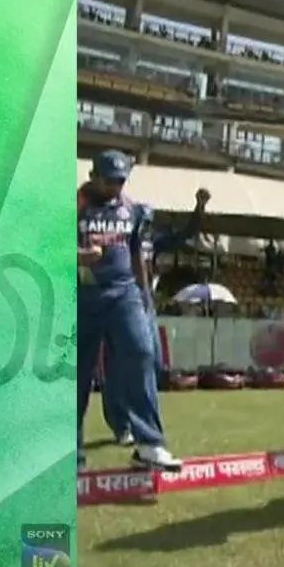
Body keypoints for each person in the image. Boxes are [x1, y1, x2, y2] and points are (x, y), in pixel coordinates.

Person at [76, 150, 183, 472]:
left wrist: (144, 295)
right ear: (94, 176)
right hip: (82, 297)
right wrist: (79, 256)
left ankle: (149, 444)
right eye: (110, 181)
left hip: (125, 293)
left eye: (121, 181)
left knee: (141, 353)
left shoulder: (130, 209)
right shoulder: (74, 205)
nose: (115, 187)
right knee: (78, 374)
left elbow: (137, 252)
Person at [102, 186, 211, 446]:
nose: (147, 230)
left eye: (150, 225)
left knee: (152, 362)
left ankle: (143, 423)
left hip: (145, 303)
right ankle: (121, 425)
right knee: (118, 364)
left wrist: (199, 208)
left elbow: (186, 234)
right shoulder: (117, 237)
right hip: (120, 302)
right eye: (144, 224)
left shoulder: (152, 242)